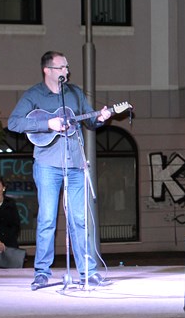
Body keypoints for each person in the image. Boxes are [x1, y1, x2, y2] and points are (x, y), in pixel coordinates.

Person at [7, 51, 112, 290]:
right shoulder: (34, 95)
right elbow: (14, 122)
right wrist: (47, 124)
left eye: (67, 67)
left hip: (75, 163)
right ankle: (42, 272)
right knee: (47, 219)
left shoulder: (74, 93)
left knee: (79, 219)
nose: (67, 71)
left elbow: (90, 121)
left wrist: (102, 116)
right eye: (62, 67)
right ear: (48, 70)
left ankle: (88, 272)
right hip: (47, 164)